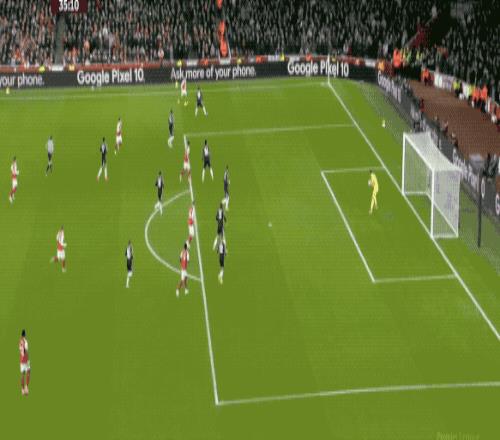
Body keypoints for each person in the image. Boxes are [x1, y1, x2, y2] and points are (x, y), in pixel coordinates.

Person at [19, 329, 30, 396]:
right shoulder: (25, 341)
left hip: (21, 360)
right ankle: (26, 388)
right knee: (28, 372)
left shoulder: (20, 341)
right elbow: (25, 350)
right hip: (25, 360)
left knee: (22, 374)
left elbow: (20, 350)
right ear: (25, 334)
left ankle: (22, 390)